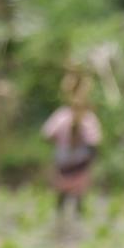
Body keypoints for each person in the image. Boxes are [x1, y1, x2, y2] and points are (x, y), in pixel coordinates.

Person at [42, 79, 102, 219]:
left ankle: (60, 224)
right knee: (78, 200)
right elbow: (95, 143)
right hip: (80, 164)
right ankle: (76, 225)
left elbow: (47, 136)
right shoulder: (89, 118)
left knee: (61, 198)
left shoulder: (61, 116)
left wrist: (60, 141)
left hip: (63, 162)